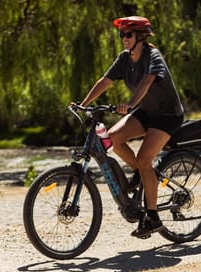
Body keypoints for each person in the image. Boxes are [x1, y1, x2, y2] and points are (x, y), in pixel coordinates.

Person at [76, 16, 185, 239]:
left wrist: (131, 104)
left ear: (141, 37)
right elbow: (105, 81)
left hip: (166, 116)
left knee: (145, 159)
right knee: (110, 138)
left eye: (128, 35)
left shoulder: (153, 57)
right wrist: (82, 104)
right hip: (146, 112)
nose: (124, 39)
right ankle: (142, 174)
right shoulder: (124, 59)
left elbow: (147, 82)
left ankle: (153, 217)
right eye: (122, 35)